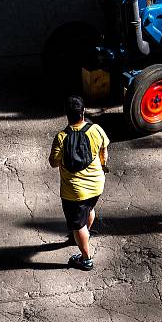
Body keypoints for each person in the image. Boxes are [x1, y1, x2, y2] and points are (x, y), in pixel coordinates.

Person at [49, 95, 110, 270]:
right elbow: (104, 152)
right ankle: (84, 235)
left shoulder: (61, 137)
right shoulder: (96, 130)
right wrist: (102, 165)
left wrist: (63, 162)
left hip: (74, 192)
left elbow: (53, 162)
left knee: (78, 225)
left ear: (67, 115)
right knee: (89, 209)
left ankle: (86, 259)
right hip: (97, 185)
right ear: (83, 112)